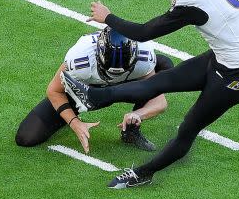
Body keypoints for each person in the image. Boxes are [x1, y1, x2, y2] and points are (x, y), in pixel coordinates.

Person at [61, 0, 239, 188]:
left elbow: (144, 32)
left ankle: (143, 173)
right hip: (222, 59)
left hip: (235, 78)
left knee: (188, 129)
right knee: (161, 81)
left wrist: (108, 17)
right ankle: (93, 98)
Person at [15, 26, 172, 153]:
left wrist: (138, 114)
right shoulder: (79, 59)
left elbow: (160, 102)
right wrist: (74, 122)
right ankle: (71, 112)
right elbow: (54, 91)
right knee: (26, 137)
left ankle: (131, 131)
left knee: (165, 66)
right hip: (87, 91)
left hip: (126, 86)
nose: (113, 75)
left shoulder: (144, 59)